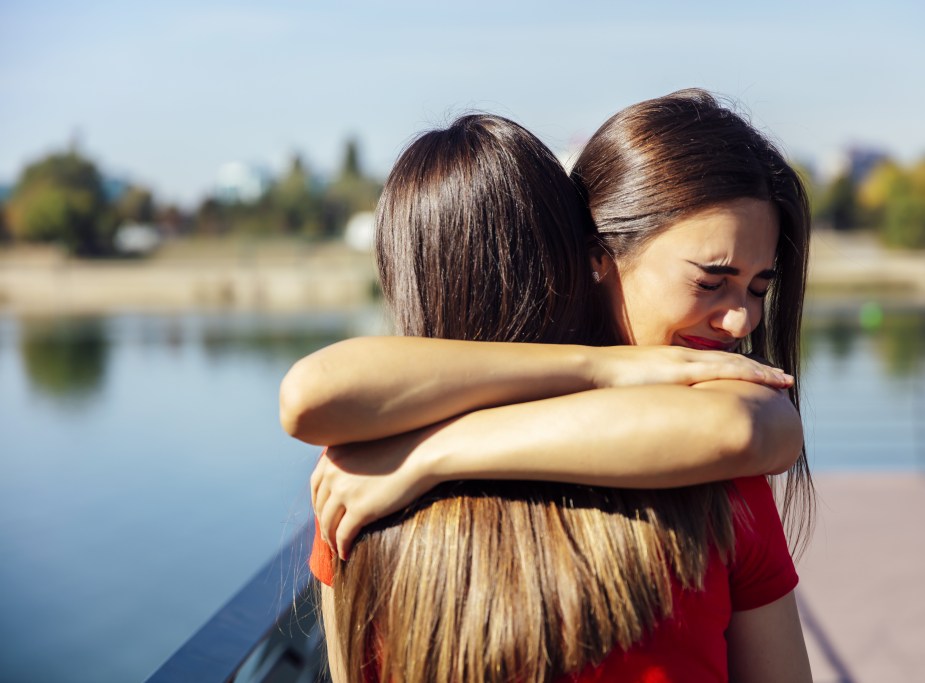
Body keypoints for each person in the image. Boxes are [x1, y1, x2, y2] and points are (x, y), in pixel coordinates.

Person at [282, 92, 813, 682]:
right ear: (590, 256)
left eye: (759, 289)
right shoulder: (714, 486)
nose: (741, 321)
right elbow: (308, 395)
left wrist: (429, 454)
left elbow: (750, 426)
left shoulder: (357, 494)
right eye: (711, 281)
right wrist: (605, 367)